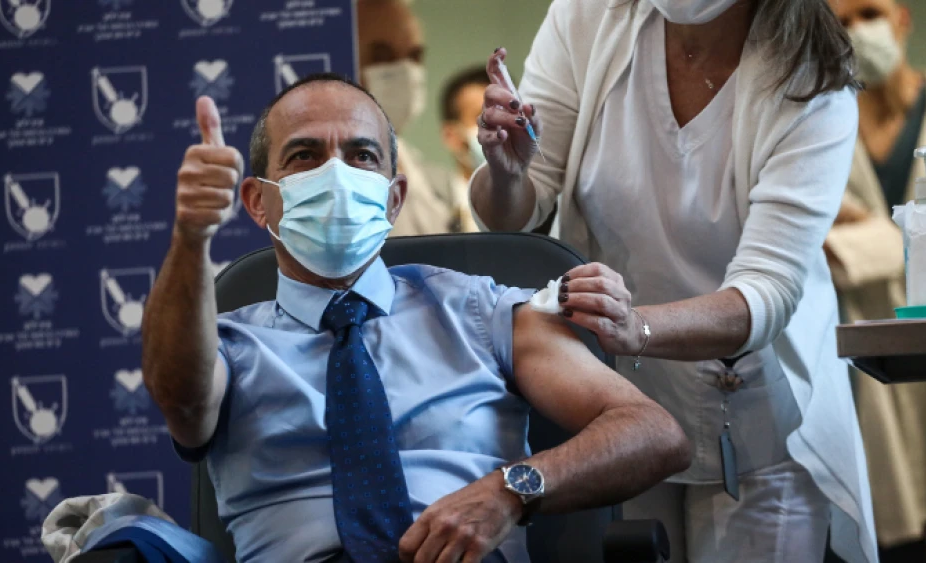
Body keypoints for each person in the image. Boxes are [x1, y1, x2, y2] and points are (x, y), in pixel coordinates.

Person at [141, 75, 692, 562]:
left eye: (361, 156)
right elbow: (180, 396)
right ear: (259, 202)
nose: (336, 174)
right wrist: (190, 234)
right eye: (305, 155)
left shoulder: (481, 310)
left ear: (394, 197)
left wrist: (511, 489)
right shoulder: (230, 346)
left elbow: (653, 432)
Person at [469, 1, 878, 562]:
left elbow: (768, 291)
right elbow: (516, 208)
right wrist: (507, 171)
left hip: (755, 418)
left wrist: (635, 325)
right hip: (616, 413)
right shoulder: (590, 17)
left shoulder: (813, 78)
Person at [826, 0, 926, 560]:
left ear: (903, 19)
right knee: (887, 523)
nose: (857, 32)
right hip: (864, 351)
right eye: (840, 21)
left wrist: (859, 238)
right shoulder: (824, 126)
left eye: (869, 12)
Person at [357, 0, 456, 236]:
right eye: (381, 57)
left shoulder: (432, 183)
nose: (405, 70)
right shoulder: (329, 180)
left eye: (414, 55)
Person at [440, 67, 491, 233]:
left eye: (507, 113)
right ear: (452, 137)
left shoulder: (543, 205)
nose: (501, 129)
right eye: (484, 118)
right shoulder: (435, 211)